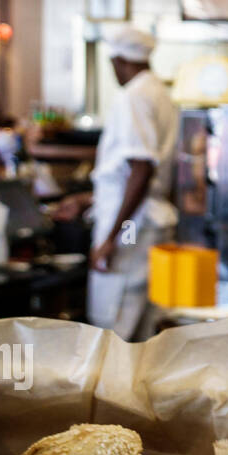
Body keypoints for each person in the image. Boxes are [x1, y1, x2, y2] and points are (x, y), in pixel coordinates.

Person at [57, 25, 178, 339]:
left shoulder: (133, 97)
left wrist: (111, 236)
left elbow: (141, 168)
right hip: (148, 220)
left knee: (114, 324)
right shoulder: (161, 93)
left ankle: (113, 389)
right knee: (141, 323)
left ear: (119, 60)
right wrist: (89, 199)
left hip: (130, 227)